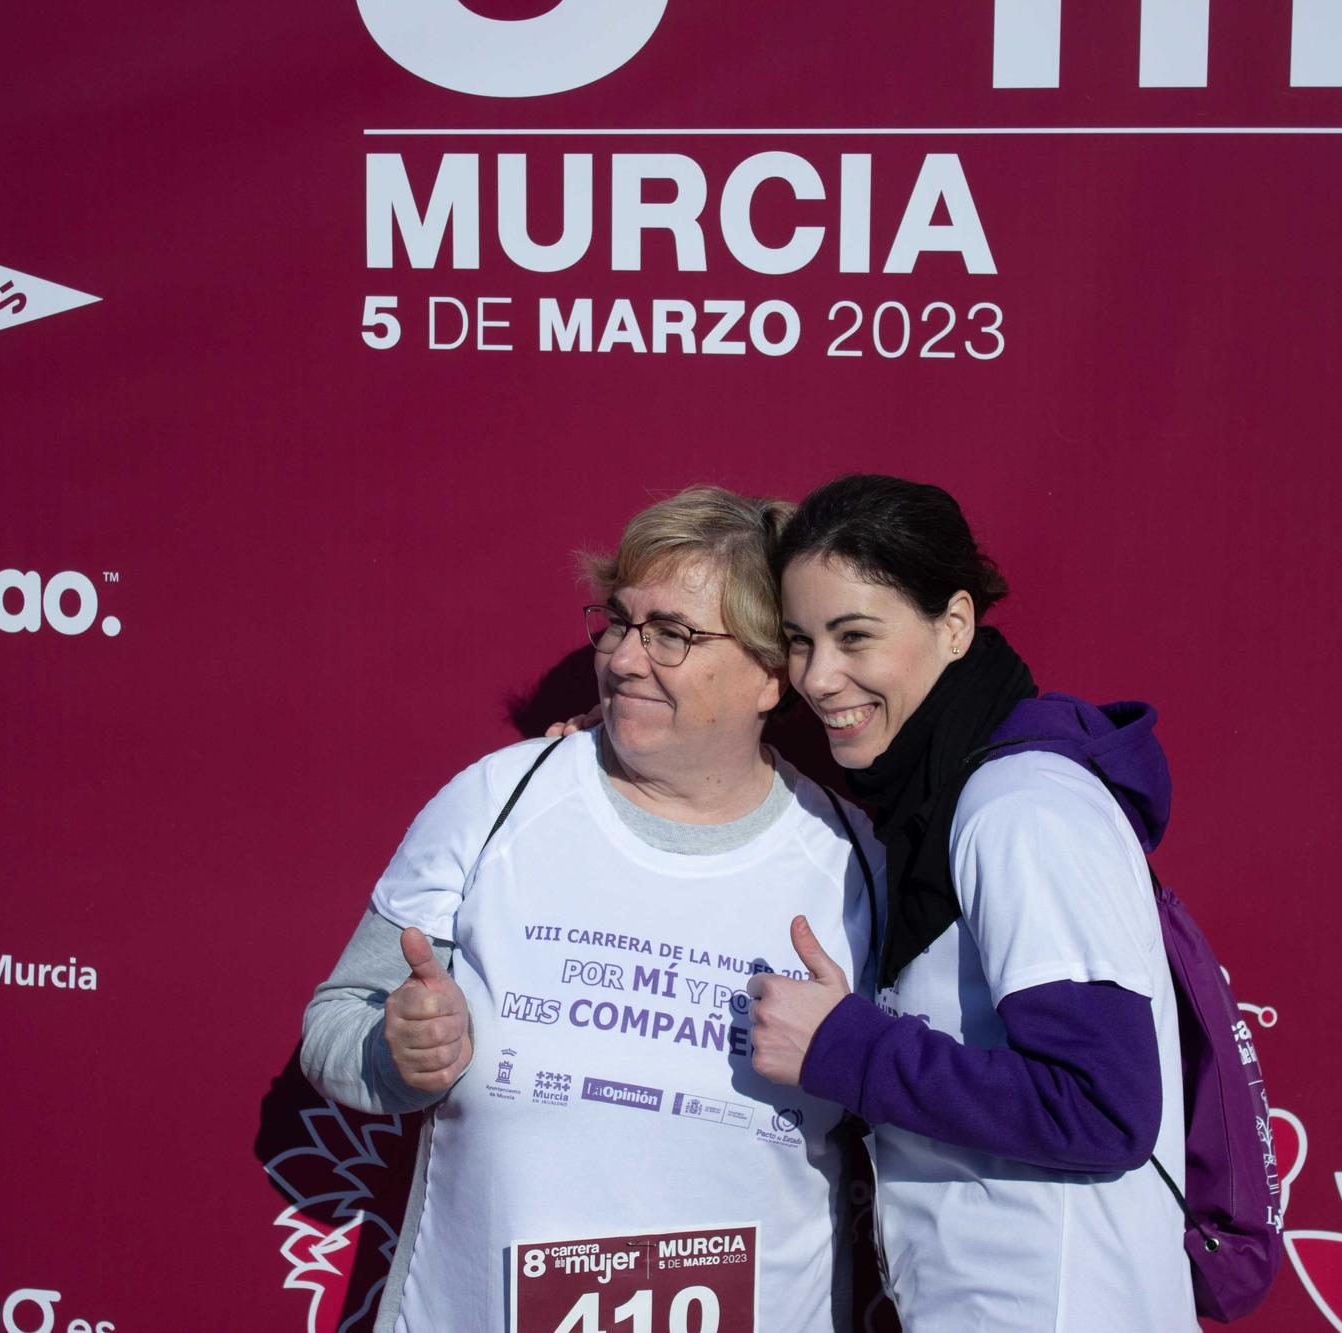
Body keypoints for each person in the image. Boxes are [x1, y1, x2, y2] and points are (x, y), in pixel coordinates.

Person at [301, 486, 878, 1333]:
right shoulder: (496, 801)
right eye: (619, 621)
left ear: (769, 673)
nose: (625, 659)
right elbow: (335, 1020)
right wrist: (395, 1052)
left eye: (672, 634)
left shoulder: (852, 863)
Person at [746, 474, 1196, 1330]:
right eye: (799, 641)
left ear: (954, 624)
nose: (817, 676)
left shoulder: (1020, 808)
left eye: (854, 636)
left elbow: (1103, 1105)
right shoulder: (936, 801)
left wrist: (847, 1047)